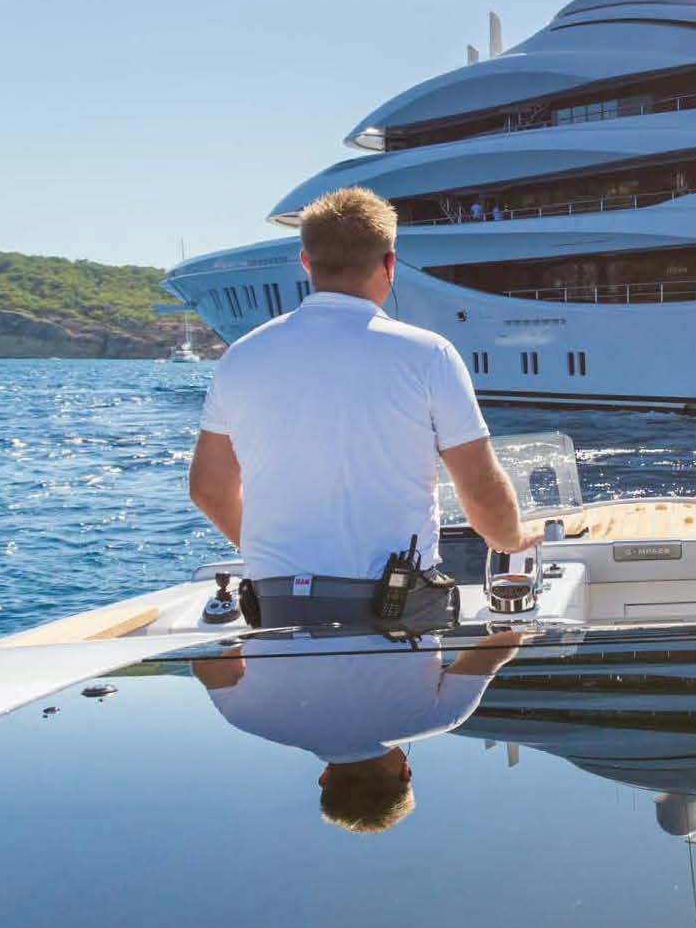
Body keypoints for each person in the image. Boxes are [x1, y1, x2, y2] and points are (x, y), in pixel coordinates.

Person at [187, 186, 533, 630]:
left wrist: (266, 558)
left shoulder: (240, 356)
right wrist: (513, 539)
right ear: (390, 264)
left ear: (306, 263)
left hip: (278, 609)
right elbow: (480, 487)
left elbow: (208, 489)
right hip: (398, 609)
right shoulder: (429, 355)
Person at [191, 631, 526, 833]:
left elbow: (495, 649)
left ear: (406, 774)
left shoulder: (444, 717)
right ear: (323, 779)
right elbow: (206, 665)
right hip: (278, 580)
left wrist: (531, 632)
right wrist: (259, 642)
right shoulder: (251, 719)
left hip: (401, 565)